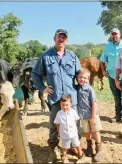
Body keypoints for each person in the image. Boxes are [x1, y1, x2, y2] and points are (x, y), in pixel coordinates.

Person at [32, 29, 81, 162]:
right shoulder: (46, 56)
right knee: (55, 125)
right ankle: (52, 149)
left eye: (64, 37)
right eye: (59, 37)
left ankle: (71, 146)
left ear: (67, 40)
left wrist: (82, 87)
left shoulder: (72, 56)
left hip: (71, 98)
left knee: (75, 124)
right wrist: (43, 87)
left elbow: (80, 75)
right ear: (54, 38)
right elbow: (35, 74)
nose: (61, 39)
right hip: (55, 98)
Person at [76, 67, 103, 162]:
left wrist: (93, 116)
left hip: (92, 115)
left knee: (95, 131)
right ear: (77, 78)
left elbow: (94, 103)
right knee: (87, 132)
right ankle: (89, 147)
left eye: (85, 78)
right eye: (80, 77)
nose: (82, 79)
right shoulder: (77, 88)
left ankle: (99, 149)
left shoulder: (90, 89)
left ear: (88, 79)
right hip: (83, 116)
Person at [100, 28, 122, 123]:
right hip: (112, 76)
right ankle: (118, 116)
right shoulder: (107, 47)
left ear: (120, 34)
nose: (114, 36)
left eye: (116, 34)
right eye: (113, 34)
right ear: (111, 35)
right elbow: (102, 60)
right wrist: (103, 71)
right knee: (116, 97)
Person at [54, 95, 84, 163]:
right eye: (63, 105)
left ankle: (81, 155)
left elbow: (76, 121)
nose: (64, 107)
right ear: (60, 104)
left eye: (67, 105)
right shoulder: (59, 114)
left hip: (73, 133)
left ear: (70, 104)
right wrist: (59, 131)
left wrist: (74, 129)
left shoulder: (73, 112)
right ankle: (64, 157)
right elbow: (57, 123)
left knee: (77, 144)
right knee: (64, 147)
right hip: (64, 134)